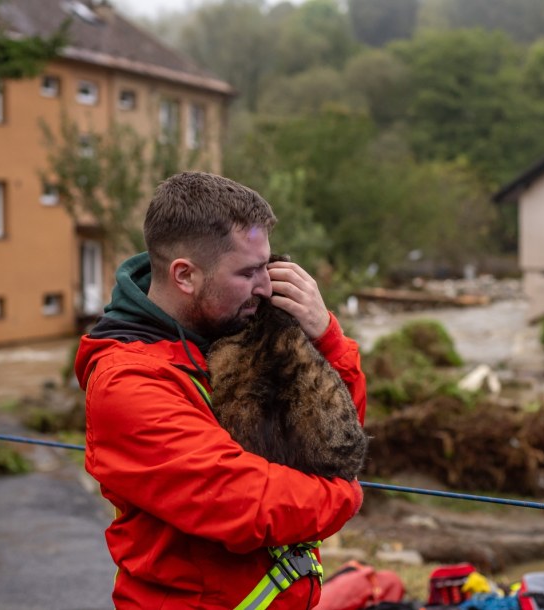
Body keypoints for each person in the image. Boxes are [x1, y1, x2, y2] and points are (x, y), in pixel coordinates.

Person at [74, 171, 367, 609]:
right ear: (185, 276)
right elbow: (243, 501)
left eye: (266, 268)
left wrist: (326, 336)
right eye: (248, 272)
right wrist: (346, 494)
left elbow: (333, 435)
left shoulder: (232, 327)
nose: (267, 287)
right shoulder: (127, 382)